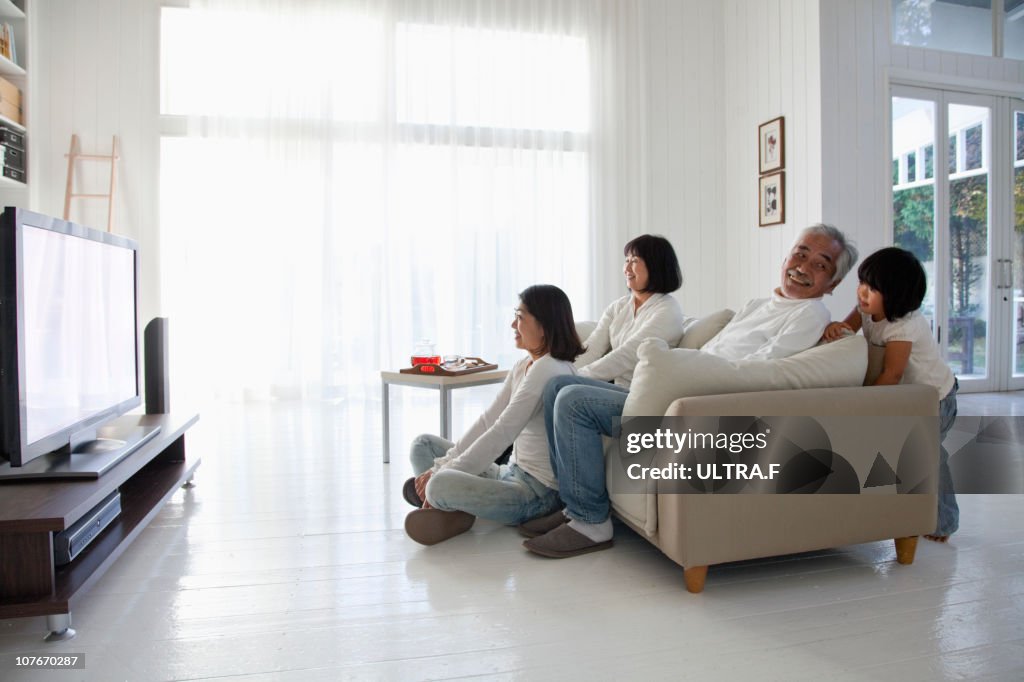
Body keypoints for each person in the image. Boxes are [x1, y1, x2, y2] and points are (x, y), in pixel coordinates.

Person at [523, 223, 858, 558]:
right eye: (800, 254)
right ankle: (572, 504)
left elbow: (760, 369)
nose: (803, 266)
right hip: (681, 387)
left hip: (694, 404)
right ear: (786, 257)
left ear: (833, 283)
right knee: (559, 386)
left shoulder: (810, 314)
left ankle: (591, 523)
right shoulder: (759, 305)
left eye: (820, 264)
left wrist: (681, 367)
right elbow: (717, 351)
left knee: (573, 401)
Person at [403, 284, 586, 546]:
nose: (513, 324)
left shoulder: (550, 369)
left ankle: (446, 503)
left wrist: (440, 475)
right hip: (508, 473)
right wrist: (439, 466)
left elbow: (503, 431)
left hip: (535, 495)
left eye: (521, 317)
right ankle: (455, 509)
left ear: (544, 326)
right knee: (423, 445)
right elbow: (489, 420)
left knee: (439, 484)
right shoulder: (526, 365)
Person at [822, 247, 958, 541]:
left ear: (897, 296)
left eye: (872, 289)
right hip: (909, 398)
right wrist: (836, 328)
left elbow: (891, 374)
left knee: (929, 456)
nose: (862, 293)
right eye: (862, 283)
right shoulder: (867, 309)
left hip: (937, 398)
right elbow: (847, 329)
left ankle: (944, 522)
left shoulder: (903, 327)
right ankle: (902, 508)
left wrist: (865, 405)